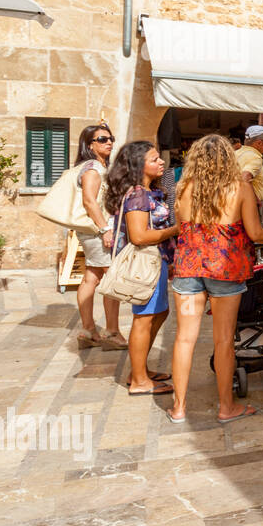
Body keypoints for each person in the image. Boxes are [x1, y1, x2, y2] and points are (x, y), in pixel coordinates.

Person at [168, 135, 263, 424]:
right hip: (226, 272)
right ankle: (226, 407)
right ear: (229, 158)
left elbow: (180, 228)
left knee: (184, 339)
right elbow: (256, 234)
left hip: (189, 270)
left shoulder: (183, 188)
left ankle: (178, 408)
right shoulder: (240, 188)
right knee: (224, 341)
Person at [103, 141, 178, 396]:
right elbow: (139, 236)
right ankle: (139, 381)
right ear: (138, 165)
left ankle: (139, 370)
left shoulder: (148, 192)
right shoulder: (138, 194)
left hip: (157, 262)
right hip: (146, 264)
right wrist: (178, 229)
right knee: (144, 318)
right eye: (154, 159)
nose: (161, 162)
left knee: (159, 313)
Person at [73, 124, 127, 351]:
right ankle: (112, 332)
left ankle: (88, 330)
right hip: (98, 230)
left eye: (110, 138)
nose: (109, 142)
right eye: (102, 139)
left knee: (91, 276)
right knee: (111, 279)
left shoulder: (93, 166)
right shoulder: (93, 168)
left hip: (92, 230)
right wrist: (106, 229)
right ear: (89, 145)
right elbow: (89, 201)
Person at [235, 125, 263, 206]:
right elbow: (245, 178)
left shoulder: (236, 153)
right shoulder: (255, 157)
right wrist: (255, 200)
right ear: (259, 143)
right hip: (247, 205)